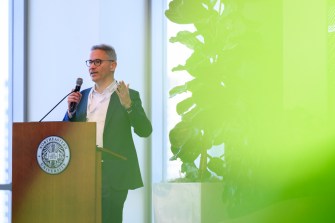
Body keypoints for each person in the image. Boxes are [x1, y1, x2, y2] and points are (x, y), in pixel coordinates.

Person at [63, 44, 152, 223]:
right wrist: (71, 113)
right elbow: (66, 134)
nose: (92, 67)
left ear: (113, 65)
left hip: (114, 173)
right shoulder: (81, 97)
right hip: (83, 171)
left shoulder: (128, 95)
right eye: (90, 62)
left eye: (97, 61)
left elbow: (145, 130)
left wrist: (128, 106)